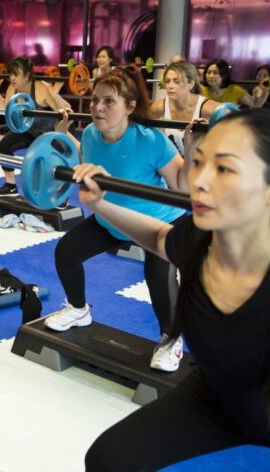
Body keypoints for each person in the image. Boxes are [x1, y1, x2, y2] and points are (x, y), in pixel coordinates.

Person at [81, 108, 270, 471]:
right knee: (107, 461)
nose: (199, 181)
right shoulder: (201, 240)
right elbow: (161, 237)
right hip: (219, 401)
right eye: (200, 162)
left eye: (224, 169)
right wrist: (101, 204)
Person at [45, 68, 188, 372]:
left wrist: (196, 147)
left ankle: (171, 338)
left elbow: (182, 187)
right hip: (113, 218)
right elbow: (84, 160)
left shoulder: (151, 140)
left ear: (130, 106)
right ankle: (79, 309)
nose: (97, 107)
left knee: (158, 276)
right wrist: (63, 132)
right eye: (95, 100)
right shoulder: (93, 135)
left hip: (157, 223)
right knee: (66, 253)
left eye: (108, 101)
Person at [0, 56, 73, 195]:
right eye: (10, 74)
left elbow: (66, 109)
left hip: (50, 134)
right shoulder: (12, 89)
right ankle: (10, 186)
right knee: (4, 146)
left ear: (27, 75)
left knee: (49, 161)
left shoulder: (40, 88)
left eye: (16, 74)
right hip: (29, 131)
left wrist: (54, 95)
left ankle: (60, 195)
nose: (12, 78)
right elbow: (5, 108)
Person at [148, 61, 221, 156]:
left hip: (198, 166)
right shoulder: (160, 106)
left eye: (176, 81)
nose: (170, 86)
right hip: (172, 167)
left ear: (190, 84)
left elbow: (237, 118)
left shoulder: (206, 107)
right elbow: (138, 125)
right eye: (167, 81)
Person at [201, 58, 267, 109]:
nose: (210, 76)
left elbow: (255, 105)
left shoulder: (235, 90)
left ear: (224, 75)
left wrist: (265, 91)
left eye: (215, 73)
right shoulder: (201, 91)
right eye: (208, 72)